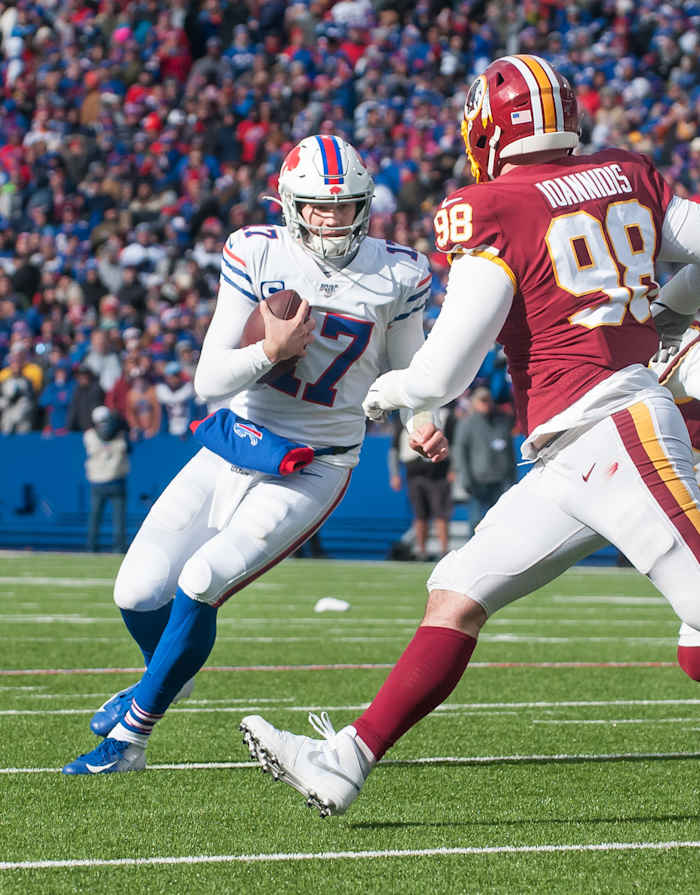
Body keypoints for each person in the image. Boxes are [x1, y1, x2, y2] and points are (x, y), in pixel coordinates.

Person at [240, 54, 700, 818]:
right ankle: (345, 759)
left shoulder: (493, 203)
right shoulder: (626, 171)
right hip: (570, 449)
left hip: (612, 428)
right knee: (457, 589)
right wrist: (670, 312)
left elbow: (445, 368)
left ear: (489, 123)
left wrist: (389, 391)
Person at [61, 134, 448, 774]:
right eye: (318, 208)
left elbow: (411, 367)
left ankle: (131, 737)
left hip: (316, 459)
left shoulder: (399, 272)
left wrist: (422, 419)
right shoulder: (255, 250)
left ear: (366, 204)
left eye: (345, 206)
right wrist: (272, 350)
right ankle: (169, 675)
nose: (331, 220)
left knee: (202, 579)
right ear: (290, 205)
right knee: (135, 591)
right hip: (238, 440)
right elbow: (209, 381)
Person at [389, 408, 453, 561]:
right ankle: (421, 550)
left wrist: (453, 468)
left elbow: (453, 442)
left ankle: (444, 551)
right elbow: (394, 448)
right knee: (419, 514)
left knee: (441, 514)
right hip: (414, 472)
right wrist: (395, 474)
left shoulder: (444, 415)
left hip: (438, 471)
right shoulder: (403, 416)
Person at [451, 385, 516, 533]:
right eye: (482, 401)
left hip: (500, 479)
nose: (486, 404)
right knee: (476, 521)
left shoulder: (501, 420)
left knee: (501, 521)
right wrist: (466, 478)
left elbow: (509, 449)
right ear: (474, 403)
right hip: (478, 481)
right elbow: (460, 451)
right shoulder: (466, 424)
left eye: (488, 400)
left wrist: (512, 475)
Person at [84, 406, 130, 553]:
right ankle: (116, 547)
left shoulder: (89, 435)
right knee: (114, 519)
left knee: (101, 518)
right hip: (112, 479)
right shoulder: (120, 435)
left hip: (104, 480)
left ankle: (93, 547)